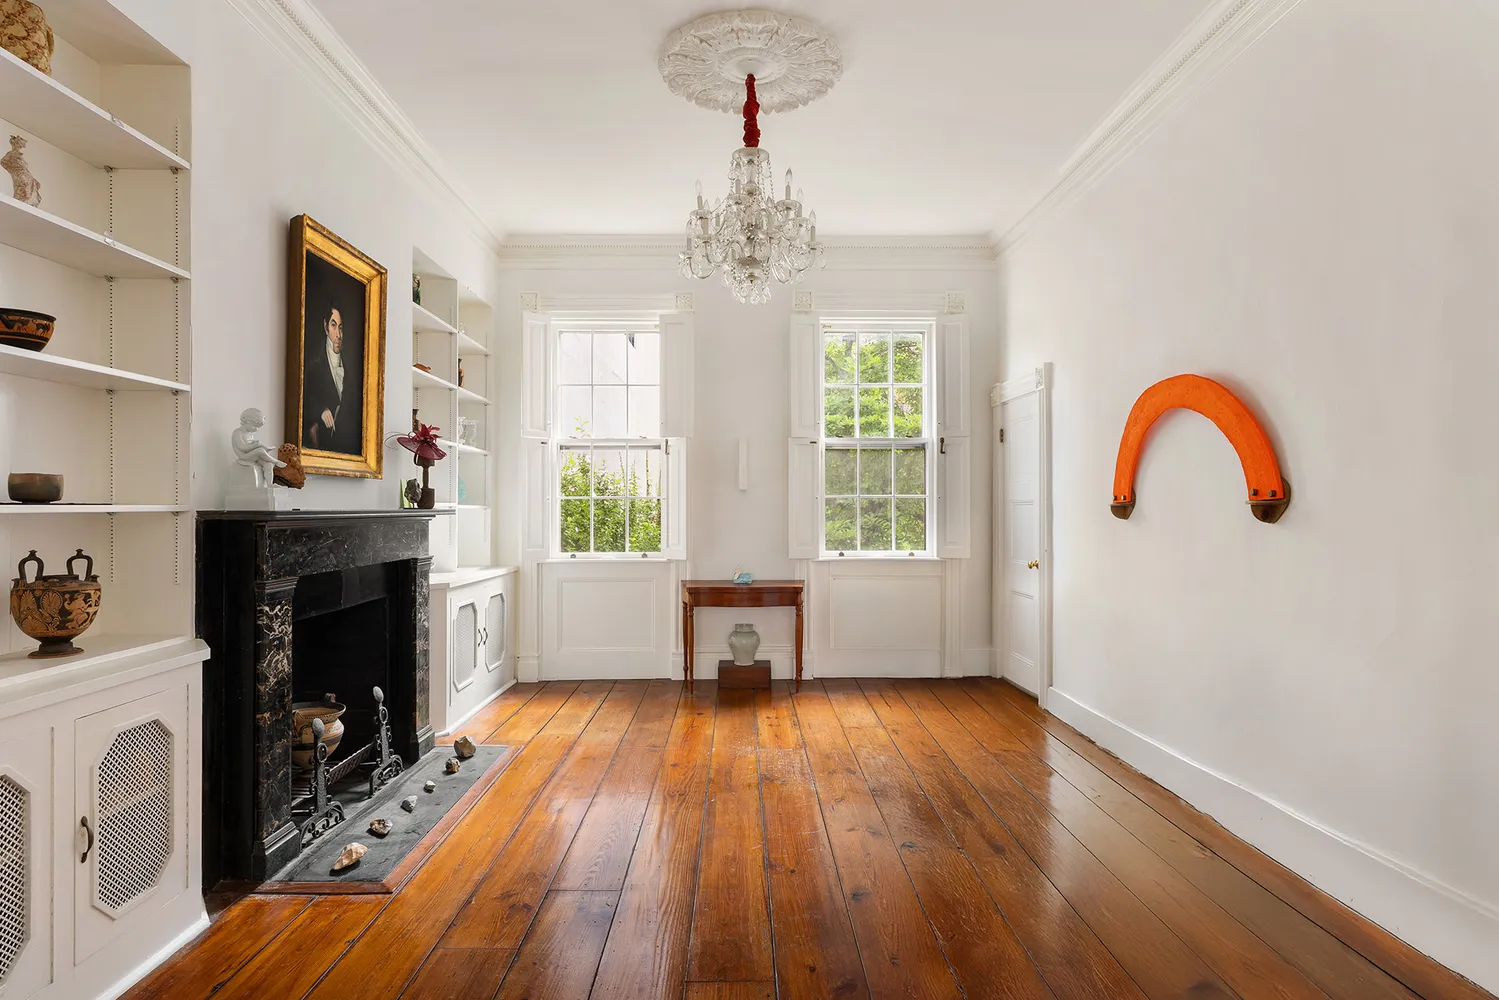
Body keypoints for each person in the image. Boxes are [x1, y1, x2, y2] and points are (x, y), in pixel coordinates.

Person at [303, 297, 358, 452]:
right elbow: (304, 401)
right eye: (334, 326)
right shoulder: (314, 366)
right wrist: (321, 410)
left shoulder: (351, 370)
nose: (338, 335)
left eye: (341, 328)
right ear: (326, 327)